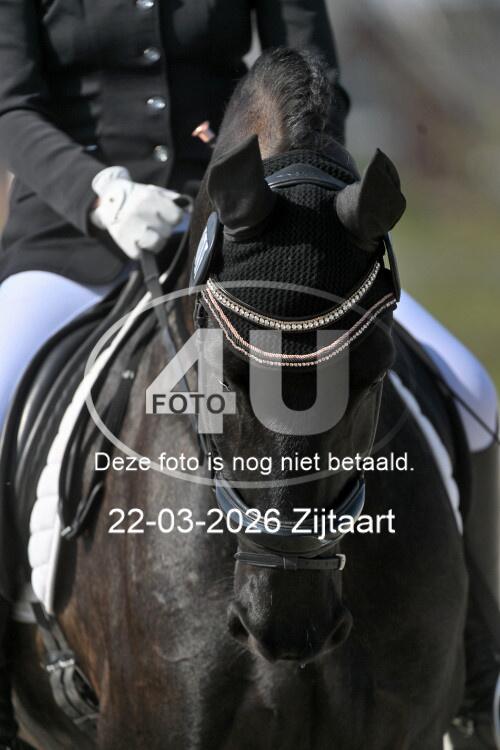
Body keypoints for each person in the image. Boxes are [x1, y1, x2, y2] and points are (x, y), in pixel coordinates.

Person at [0, 1, 348, 747]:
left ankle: (477, 667)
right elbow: (9, 106)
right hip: (71, 239)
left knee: (465, 386)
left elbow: (316, 81)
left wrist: (288, 206)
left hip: (242, 231)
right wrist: (102, 196)